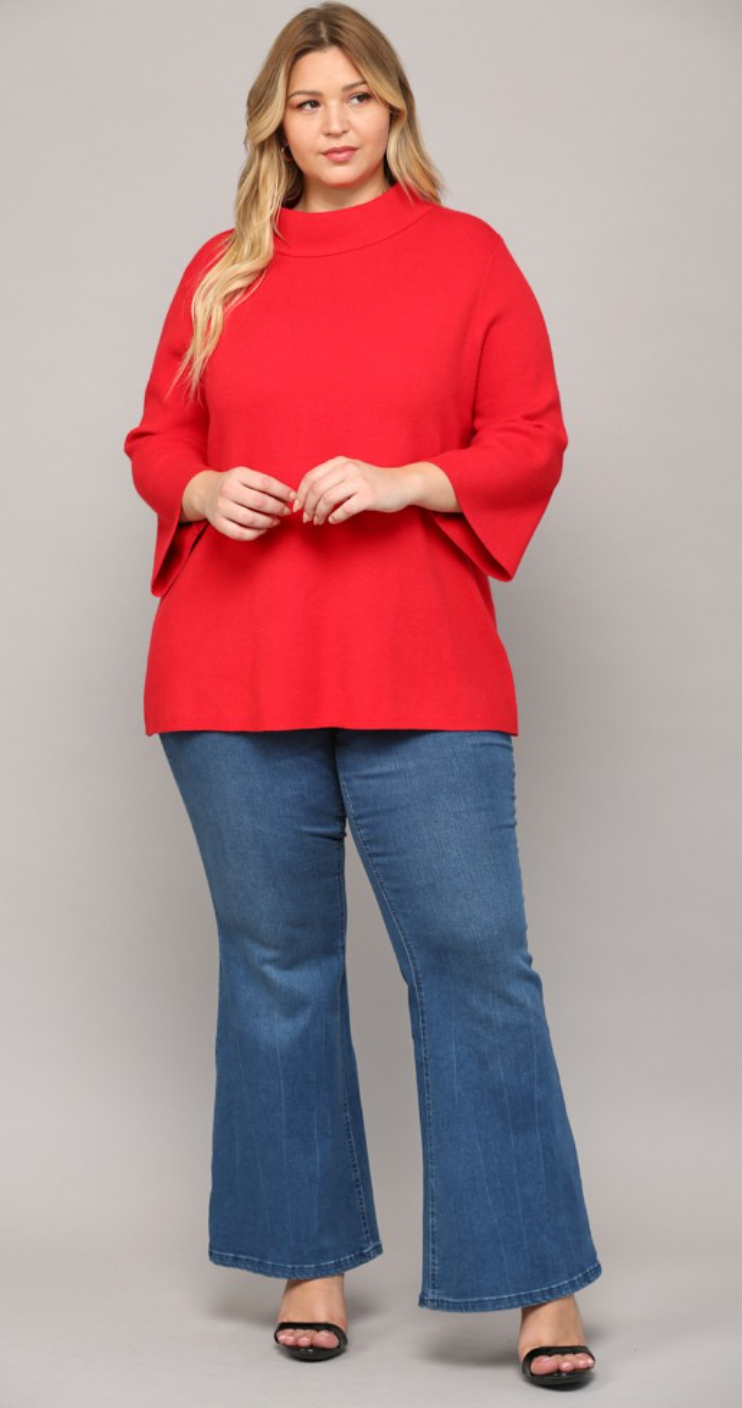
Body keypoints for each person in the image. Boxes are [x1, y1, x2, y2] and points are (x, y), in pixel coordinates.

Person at [123, 2, 602, 1388]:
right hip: (231, 662)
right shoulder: (222, 266)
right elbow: (158, 438)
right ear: (276, 122)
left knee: (475, 964)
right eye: (307, 100)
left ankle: (537, 1284)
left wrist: (408, 479)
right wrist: (199, 489)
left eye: (357, 96)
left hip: (419, 658)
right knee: (278, 968)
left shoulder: (467, 257)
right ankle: (309, 1261)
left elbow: (530, 435)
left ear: (395, 111)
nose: (334, 123)